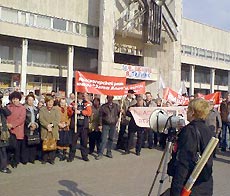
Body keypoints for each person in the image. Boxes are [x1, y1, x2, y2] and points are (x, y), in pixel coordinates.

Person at [170, 98, 213, 196]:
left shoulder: (189, 131)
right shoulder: (207, 129)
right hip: (205, 182)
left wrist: (176, 189)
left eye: (188, 109)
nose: (187, 112)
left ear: (193, 112)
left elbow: (184, 162)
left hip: (190, 185)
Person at [68, 92, 92, 162]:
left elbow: (89, 112)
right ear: (77, 94)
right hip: (75, 125)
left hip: (84, 126)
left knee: (84, 142)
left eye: (83, 94)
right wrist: (73, 109)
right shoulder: (73, 103)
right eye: (81, 94)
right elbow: (69, 113)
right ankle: (71, 156)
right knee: (73, 142)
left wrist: (80, 112)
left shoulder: (87, 103)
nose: (82, 95)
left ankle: (84, 156)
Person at [96, 95, 120, 160]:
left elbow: (119, 114)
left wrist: (121, 112)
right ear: (107, 98)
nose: (110, 99)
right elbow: (100, 116)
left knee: (111, 139)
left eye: (111, 98)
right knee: (103, 139)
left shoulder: (116, 106)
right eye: (109, 98)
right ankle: (100, 153)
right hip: (105, 125)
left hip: (113, 124)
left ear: (113, 98)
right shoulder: (103, 107)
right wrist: (100, 125)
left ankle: (109, 152)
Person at [7, 91, 26, 167]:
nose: (15, 100)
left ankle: (15, 161)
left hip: (17, 130)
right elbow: (5, 117)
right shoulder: (8, 107)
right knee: (8, 146)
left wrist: (12, 125)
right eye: (13, 99)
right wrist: (7, 125)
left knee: (16, 147)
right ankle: (7, 160)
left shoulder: (22, 108)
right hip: (8, 130)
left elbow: (21, 119)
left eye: (17, 99)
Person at [39, 96, 60, 165]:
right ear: (46, 102)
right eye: (48, 102)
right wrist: (47, 125)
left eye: (51, 102)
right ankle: (44, 158)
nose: (50, 103)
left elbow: (57, 119)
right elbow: (41, 119)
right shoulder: (42, 109)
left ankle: (52, 159)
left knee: (53, 145)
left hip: (53, 130)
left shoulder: (56, 109)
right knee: (45, 144)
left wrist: (51, 125)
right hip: (45, 130)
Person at [24, 94, 40, 164]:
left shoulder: (36, 109)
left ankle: (32, 158)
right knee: (26, 143)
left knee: (33, 143)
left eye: (32, 100)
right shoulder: (24, 108)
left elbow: (38, 119)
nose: (30, 101)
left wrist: (35, 125)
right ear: (26, 100)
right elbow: (23, 118)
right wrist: (30, 124)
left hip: (35, 128)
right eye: (29, 100)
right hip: (27, 128)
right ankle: (25, 158)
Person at [0, 91, 12, 173]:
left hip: (2, 132)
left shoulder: (2, 108)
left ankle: (3, 167)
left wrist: (3, 107)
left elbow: (8, 113)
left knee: (3, 150)